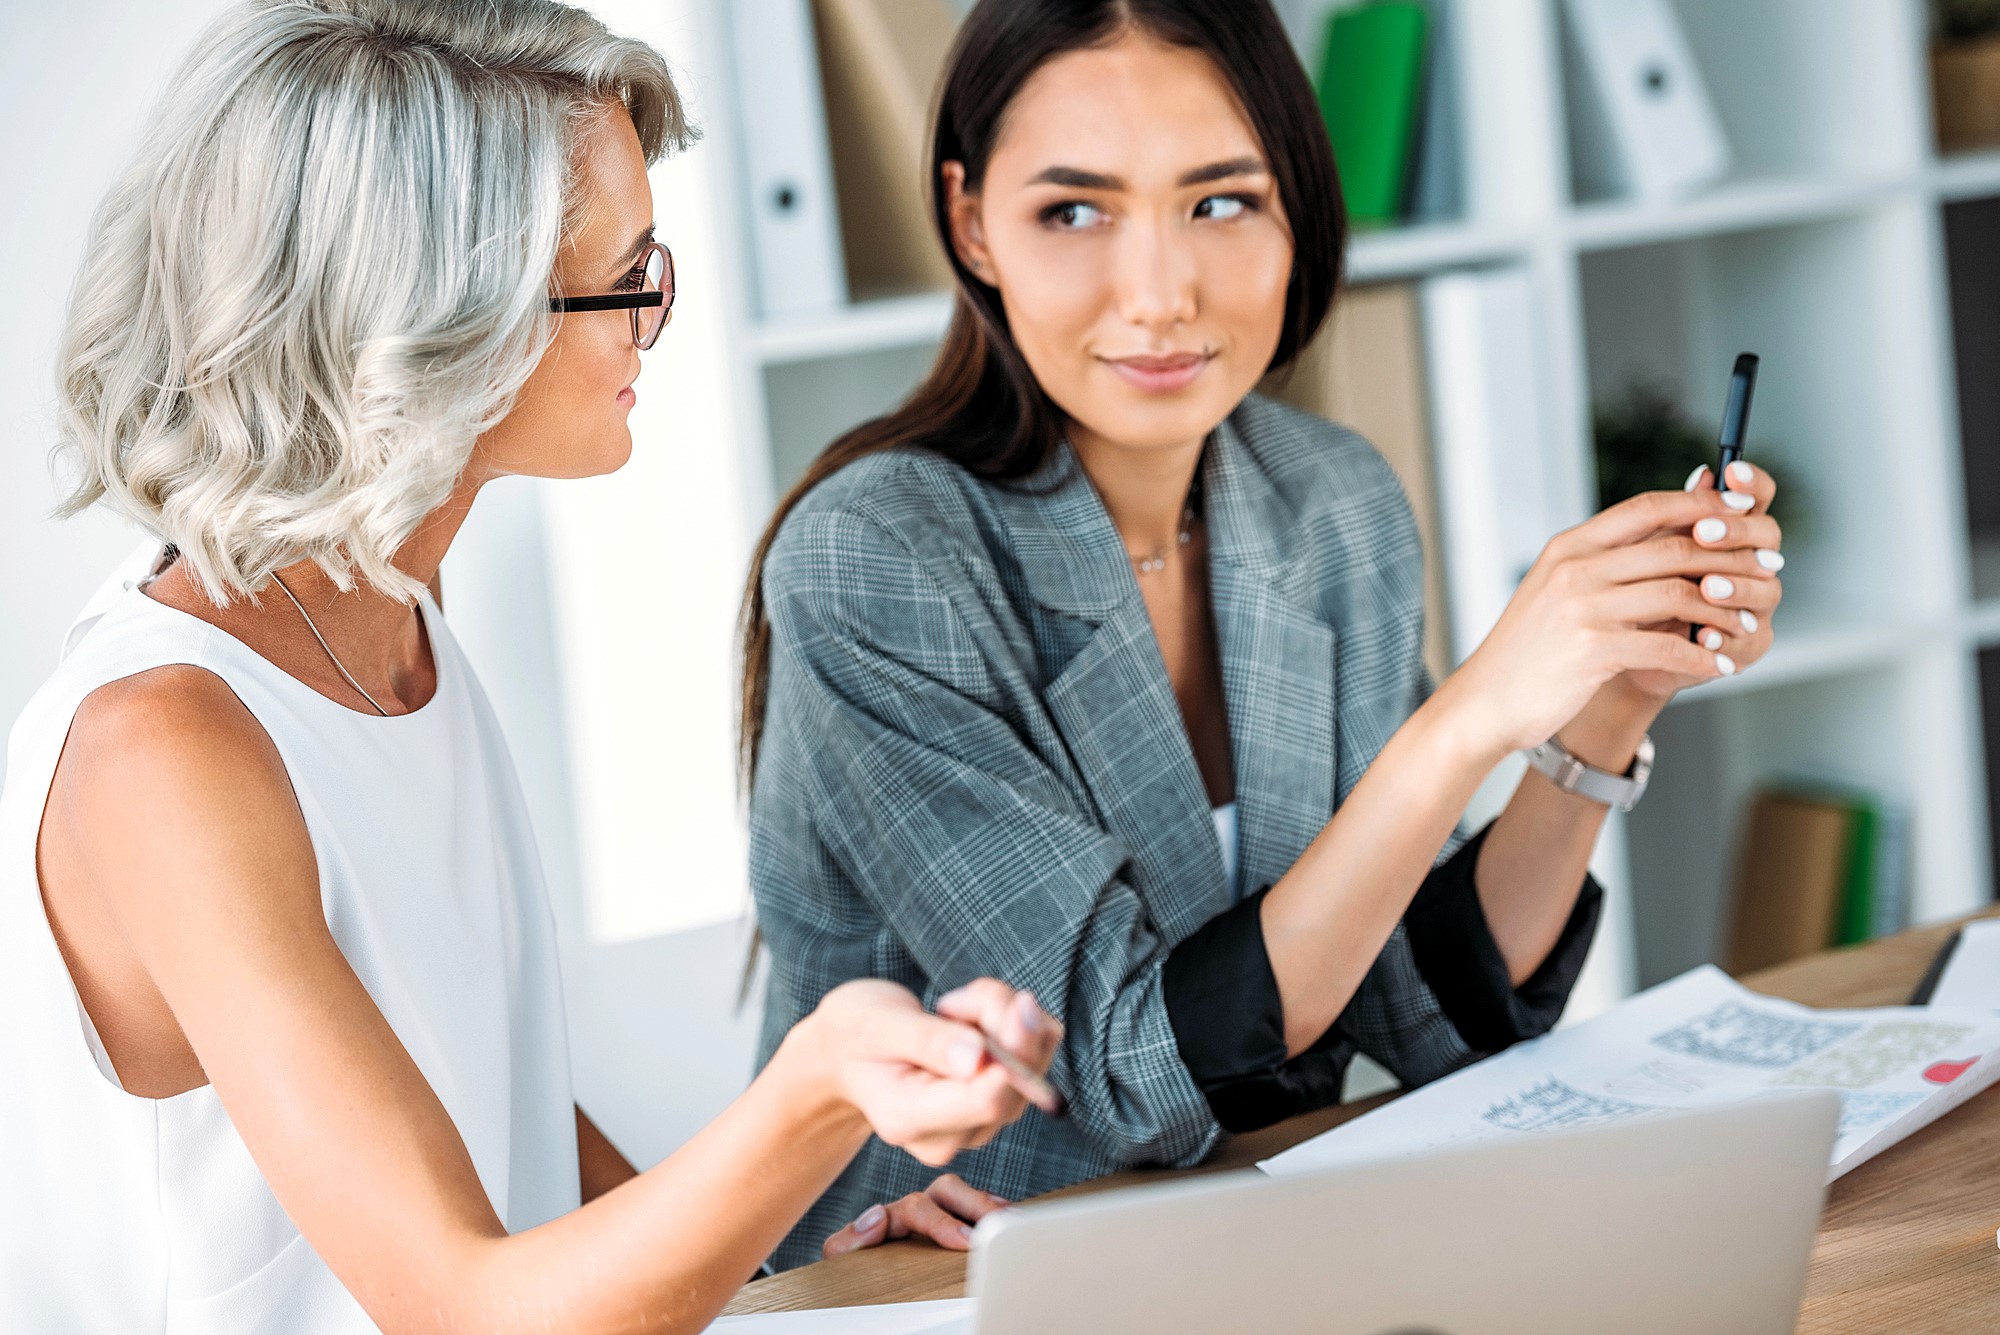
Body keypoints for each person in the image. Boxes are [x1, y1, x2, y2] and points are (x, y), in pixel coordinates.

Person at [0, 2, 1061, 1330]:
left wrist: (778, 1265)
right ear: (433, 325)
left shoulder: (393, 622)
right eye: (625, 276)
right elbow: (464, 1305)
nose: (650, 320)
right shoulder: (165, 747)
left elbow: (475, 1117)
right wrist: (815, 1091)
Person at [741, 0, 1786, 1270]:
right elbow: (1122, 1074)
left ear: (1294, 205)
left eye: (1220, 201)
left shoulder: (1326, 502)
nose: (1160, 294)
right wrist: (1464, 719)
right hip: (935, 1279)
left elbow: (1417, 1008)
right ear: (970, 221)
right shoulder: (878, 560)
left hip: (1267, 1247)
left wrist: (1604, 708)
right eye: (1073, 211)